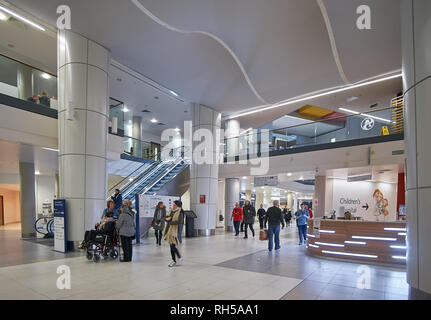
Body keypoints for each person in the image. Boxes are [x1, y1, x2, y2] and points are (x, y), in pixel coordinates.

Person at [164, 200, 183, 267]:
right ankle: (176, 258)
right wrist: (167, 219)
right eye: (173, 205)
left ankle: (176, 259)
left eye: (175, 205)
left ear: (178, 205)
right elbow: (166, 218)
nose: (173, 206)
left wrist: (170, 221)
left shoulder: (180, 212)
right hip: (168, 230)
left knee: (172, 246)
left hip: (175, 231)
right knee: (171, 246)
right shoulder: (171, 211)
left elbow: (179, 222)